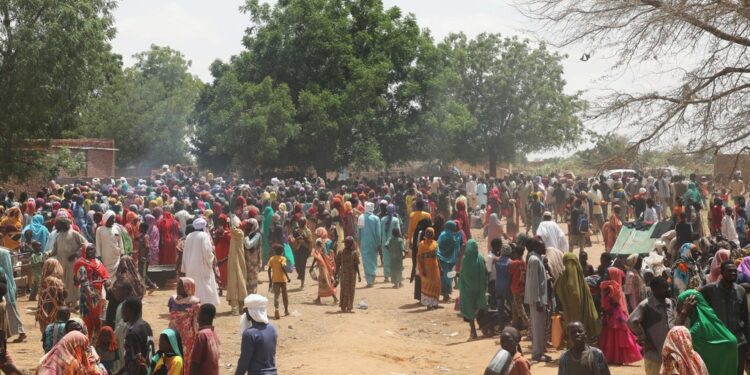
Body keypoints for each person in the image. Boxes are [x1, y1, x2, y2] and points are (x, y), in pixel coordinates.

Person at [699, 261, 749, 375]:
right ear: (721, 272)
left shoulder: (740, 291)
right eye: (729, 271)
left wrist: (748, 342)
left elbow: (745, 318)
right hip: (718, 343)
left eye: (734, 271)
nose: (733, 273)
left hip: (738, 342)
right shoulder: (709, 290)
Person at [677, 289, 738, 375]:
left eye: (680, 305)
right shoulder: (714, 320)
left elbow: (675, 340)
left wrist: (683, 313)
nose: (678, 310)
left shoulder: (697, 330)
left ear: (690, 305)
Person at [627, 276, 675, 375]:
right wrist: (644, 339)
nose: (668, 289)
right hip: (654, 355)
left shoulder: (669, 303)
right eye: (664, 287)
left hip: (671, 354)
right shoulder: (645, 305)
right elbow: (631, 321)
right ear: (655, 290)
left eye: (668, 286)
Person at [598, 266, 642, 364]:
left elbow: (610, 300)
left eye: (607, 274)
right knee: (615, 337)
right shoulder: (616, 286)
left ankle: (615, 357)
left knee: (614, 337)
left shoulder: (612, 286)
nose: (605, 275)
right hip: (614, 314)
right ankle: (616, 357)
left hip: (613, 315)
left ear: (612, 275)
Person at [554, 252, 600, 340]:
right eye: (568, 264)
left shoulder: (572, 278)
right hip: (570, 309)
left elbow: (557, 290)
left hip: (571, 310)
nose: (570, 266)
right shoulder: (566, 277)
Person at [74, 243, 110, 340]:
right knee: (87, 318)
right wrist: (90, 293)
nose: (91, 252)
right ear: (84, 251)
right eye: (89, 250)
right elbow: (83, 280)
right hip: (86, 295)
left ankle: (98, 339)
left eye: (93, 249)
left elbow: (105, 275)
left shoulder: (98, 262)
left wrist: (107, 281)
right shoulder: (80, 263)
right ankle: (87, 340)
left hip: (99, 292)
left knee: (100, 317)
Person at [236, 294, 278, 375]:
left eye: (246, 310)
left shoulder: (249, 334)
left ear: (252, 312)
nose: (245, 313)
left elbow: (244, 361)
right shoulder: (272, 329)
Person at [182, 218, 220, 306]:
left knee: (193, 287)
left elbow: (185, 253)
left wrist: (184, 267)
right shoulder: (204, 235)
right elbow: (207, 251)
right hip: (202, 267)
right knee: (205, 287)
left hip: (190, 267)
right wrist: (211, 259)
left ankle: (195, 306)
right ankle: (205, 307)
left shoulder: (189, 236)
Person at [49, 217, 87, 307]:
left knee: (72, 283)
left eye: (57, 225)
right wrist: (48, 254)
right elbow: (54, 250)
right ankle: (65, 301)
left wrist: (75, 254)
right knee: (62, 282)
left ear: (63, 224)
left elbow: (85, 244)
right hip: (61, 263)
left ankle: (74, 302)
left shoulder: (74, 234)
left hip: (72, 263)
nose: (56, 227)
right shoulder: (59, 235)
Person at [524, 237, 550, 363]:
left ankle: (540, 352)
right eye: (541, 246)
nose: (544, 247)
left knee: (540, 327)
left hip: (540, 299)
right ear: (535, 247)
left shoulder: (537, 259)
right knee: (538, 327)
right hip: (537, 300)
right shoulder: (534, 260)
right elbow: (534, 283)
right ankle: (537, 354)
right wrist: (538, 300)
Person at [168, 277, 201, 373]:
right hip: (173, 333)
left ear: (188, 288)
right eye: (178, 285)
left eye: (181, 286)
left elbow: (196, 321)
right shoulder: (172, 300)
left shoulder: (195, 303)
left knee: (186, 357)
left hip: (187, 337)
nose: (178, 288)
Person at [458, 239, 487, 340]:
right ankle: (477, 329)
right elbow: (485, 272)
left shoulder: (465, 259)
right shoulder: (480, 258)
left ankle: (473, 332)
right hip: (479, 288)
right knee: (477, 308)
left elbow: (463, 274)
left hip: (468, 289)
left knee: (469, 310)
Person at [117, 296, 154, 375]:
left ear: (130, 311)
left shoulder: (132, 333)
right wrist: (120, 371)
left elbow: (137, 362)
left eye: (123, 309)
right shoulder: (146, 325)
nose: (122, 313)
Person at [37, 330, 101, 374]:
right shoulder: (71, 363)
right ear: (77, 346)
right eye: (82, 348)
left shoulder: (46, 358)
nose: (83, 352)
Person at [36, 258, 66, 336]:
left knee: (46, 336)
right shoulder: (56, 281)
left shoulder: (43, 280)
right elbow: (63, 296)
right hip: (54, 313)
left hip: (43, 313)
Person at [190, 304, 221, 375]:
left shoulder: (201, 335)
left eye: (199, 314)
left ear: (205, 317)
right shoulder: (213, 333)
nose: (197, 318)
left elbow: (195, 362)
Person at [437, 220, 462, 302]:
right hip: (448, 260)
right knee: (448, 277)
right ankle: (446, 295)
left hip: (442, 259)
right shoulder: (451, 235)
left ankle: (445, 294)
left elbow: (439, 246)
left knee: (445, 277)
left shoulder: (442, 234)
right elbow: (455, 245)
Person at [227, 218, 249, 315]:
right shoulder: (238, 233)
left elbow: (232, 229)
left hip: (237, 261)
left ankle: (237, 308)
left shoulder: (239, 233)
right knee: (235, 282)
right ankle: (237, 307)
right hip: (235, 261)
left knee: (237, 282)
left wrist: (230, 221)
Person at [357, 202, 381, 287]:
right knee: (373, 260)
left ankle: (369, 281)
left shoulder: (361, 217)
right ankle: (372, 277)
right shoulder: (376, 218)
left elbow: (358, 232)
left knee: (366, 261)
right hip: (374, 243)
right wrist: (379, 243)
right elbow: (378, 233)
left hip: (364, 243)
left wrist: (358, 242)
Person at [335, 236, 361, 313]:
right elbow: (338, 264)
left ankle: (347, 306)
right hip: (346, 275)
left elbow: (356, 265)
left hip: (350, 275)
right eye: (346, 243)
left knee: (349, 290)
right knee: (346, 290)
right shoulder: (341, 253)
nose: (346, 245)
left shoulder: (353, 253)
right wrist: (335, 274)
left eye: (347, 243)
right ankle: (345, 306)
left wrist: (359, 275)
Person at [417, 228, 441, 310]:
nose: (429, 234)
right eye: (428, 233)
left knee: (436, 284)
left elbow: (437, 257)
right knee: (427, 285)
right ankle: (428, 305)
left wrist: (440, 267)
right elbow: (421, 258)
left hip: (435, 268)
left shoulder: (435, 243)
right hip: (426, 268)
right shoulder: (422, 244)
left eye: (431, 233)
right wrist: (423, 269)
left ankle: (435, 303)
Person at [96, 210, 123, 277]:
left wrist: (122, 253)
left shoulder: (117, 228)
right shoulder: (99, 230)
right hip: (105, 256)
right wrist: (99, 256)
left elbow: (120, 241)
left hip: (116, 256)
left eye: (114, 218)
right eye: (111, 219)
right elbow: (98, 244)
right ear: (107, 219)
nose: (113, 220)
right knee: (106, 274)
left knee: (117, 274)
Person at [310, 238, 337, 304]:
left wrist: (312, 266)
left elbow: (315, 258)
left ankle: (335, 298)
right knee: (323, 283)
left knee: (326, 283)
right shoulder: (323, 249)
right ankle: (318, 298)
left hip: (322, 269)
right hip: (324, 268)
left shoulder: (318, 250)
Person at [267, 244, 291, 319]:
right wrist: (287, 277)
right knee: (285, 295)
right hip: (283, 280)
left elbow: (269, 270)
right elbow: (283, 267)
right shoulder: (283, 258)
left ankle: (276, 309)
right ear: (282, 252)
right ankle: (286, 310)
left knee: (276, 295)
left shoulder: (272, 259)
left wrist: (270, 281)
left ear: (275, 251)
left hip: (275, 280)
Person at [380, 204, 401, 283]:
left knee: (386, 259)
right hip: (394, 242)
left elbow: (380, 231)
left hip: (384, 242)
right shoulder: (396, 220)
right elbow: (398, 231)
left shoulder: (382, 219)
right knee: (394, 259)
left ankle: (386, 276)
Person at [291, 218, 313, 288]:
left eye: (301, 222)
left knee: (302, 266)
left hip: (304, 249)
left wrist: (303, 240)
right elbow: (292, 238)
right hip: (297, 249)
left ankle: (302, 282)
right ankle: (300, 274)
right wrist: (295, 239)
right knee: (297, 265)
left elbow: (310, 241)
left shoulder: (308, 231)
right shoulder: (296, 230)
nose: (300, 223)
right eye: (299, 222)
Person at [243, 219, 262, 294]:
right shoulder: (247, 234)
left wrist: (246, 236)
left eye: (250, 225)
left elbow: (248, 245)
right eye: (247, 224)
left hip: (253, 262)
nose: (248, 227)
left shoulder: (257, 235)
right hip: (246, 261)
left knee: (252, 282)